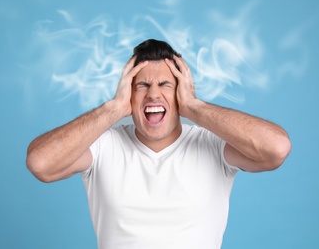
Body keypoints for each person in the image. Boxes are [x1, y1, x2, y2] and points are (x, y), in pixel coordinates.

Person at [26, 39, 291, 249]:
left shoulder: (213, 146)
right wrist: (113, 108)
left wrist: (195, 107)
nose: (153, 93)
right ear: (129, 94)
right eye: (142, 85)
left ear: (180, 93)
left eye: (165, 84)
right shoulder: (103, 147)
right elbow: (40, 163)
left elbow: (276, 148)